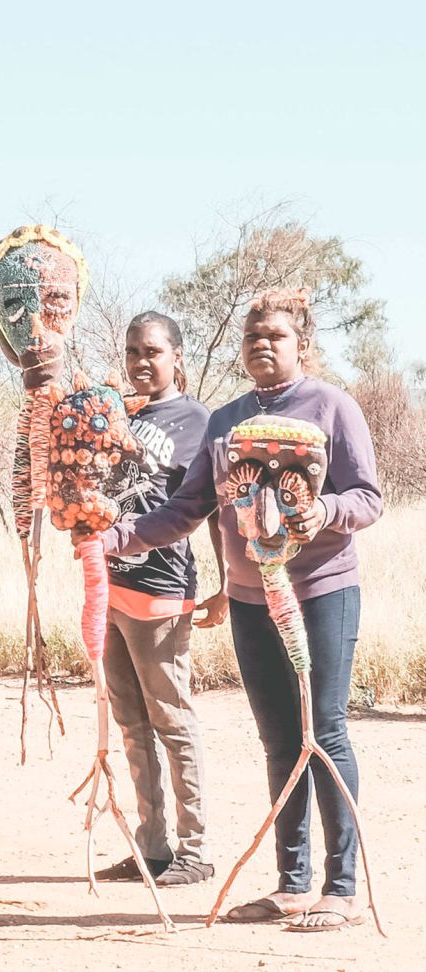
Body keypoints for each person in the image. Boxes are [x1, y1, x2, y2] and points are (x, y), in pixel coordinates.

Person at [92, 290, 381, 930]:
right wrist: (114, 536)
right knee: (279, 740)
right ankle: (292, 883)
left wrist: (323, 512)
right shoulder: (226, 421)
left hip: (322, 593)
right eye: (253, 336)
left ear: (300, 344)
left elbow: (367, 497)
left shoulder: (333, 407)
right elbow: (186, 510)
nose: (261, 345)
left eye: (275, 336)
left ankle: (341, 888)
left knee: (324, 731)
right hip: (252, 602)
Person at [91, 312, 226, 888]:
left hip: (162, 587)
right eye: (132, 352)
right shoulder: (116, 416)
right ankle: (153, 847)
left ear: (176, 358)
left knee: (172, 718)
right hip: (111, 587)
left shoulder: (197, 421)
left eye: (152, 351)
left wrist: (225, 584)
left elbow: (215, 502)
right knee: (130, 721)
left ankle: (196, 849)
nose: (140, 362)